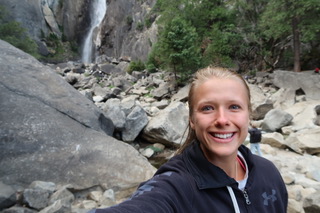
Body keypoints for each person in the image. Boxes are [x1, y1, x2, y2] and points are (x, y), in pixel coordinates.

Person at [88, 66, 288, 213]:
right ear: (192, 119)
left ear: (249, 114)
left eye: (234, 107)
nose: (222, 120)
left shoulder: (268, 173)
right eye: (207, 108)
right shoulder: (177, 186)